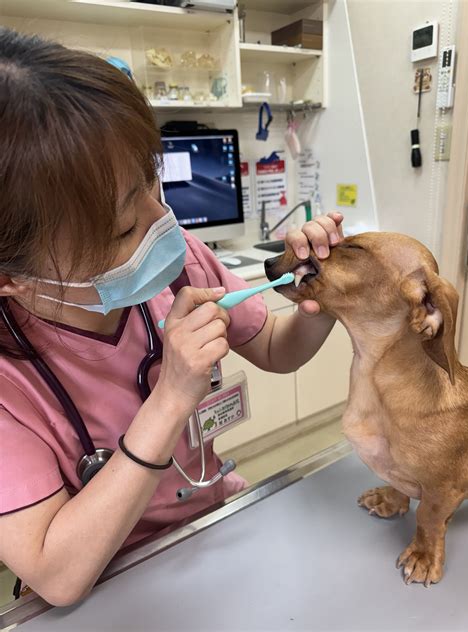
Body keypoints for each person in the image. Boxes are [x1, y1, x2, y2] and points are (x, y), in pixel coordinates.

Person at [0, 27, 344, 607]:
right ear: (11, 276)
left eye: (150, 183)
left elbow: (279, 349)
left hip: (212, 520)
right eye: (122, 227)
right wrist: (170, 398)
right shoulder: (11, 383)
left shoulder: (181, 264)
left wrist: (322, 296)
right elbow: (56, 575)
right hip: (109, 583)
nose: (164, 223)